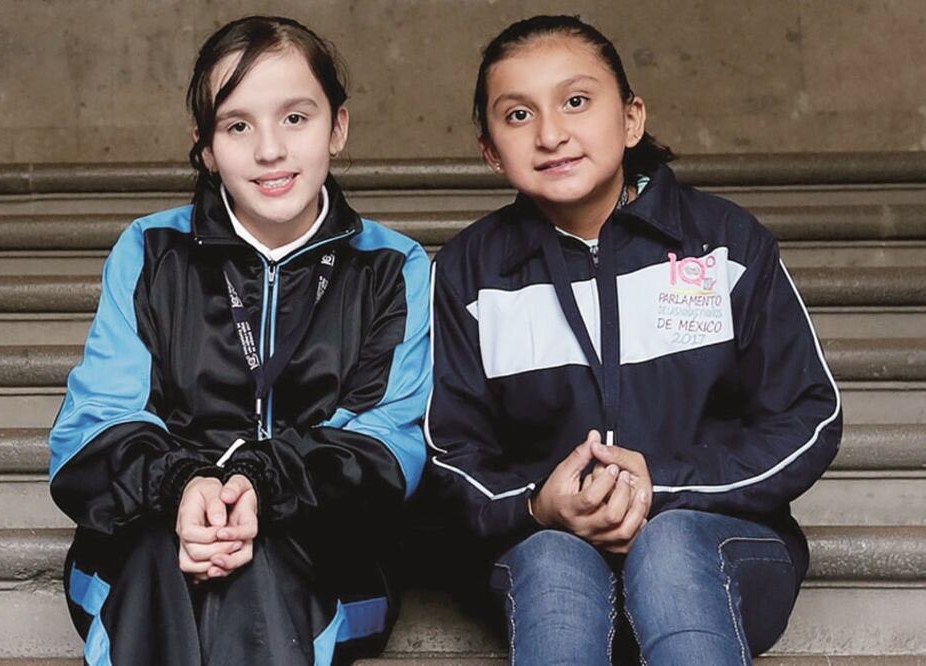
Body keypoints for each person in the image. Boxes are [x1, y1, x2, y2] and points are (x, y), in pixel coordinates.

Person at [423, 14, 841, 665]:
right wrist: (538, 505)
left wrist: (665, 488)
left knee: (668, 546)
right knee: (558, 560)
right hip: (543, 567)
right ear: (488, 150)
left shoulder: (725, 244)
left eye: (576, 101)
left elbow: (807, 418)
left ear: (630, 118)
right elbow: (449, 452)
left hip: (720, 552)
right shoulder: (467, 274)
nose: (551, 133)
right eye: (516, 116)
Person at [48, 16, 431, 665]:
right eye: (237, 126)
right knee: (158, 558)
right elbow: (89, 431)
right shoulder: (149, 250)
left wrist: (259, 486)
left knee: (263, 569)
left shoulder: (391, 266)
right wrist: (183, 488)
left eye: (294, 118)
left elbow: (388, 443)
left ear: (337, 125)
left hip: (326, 562)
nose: (269, 151)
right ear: (204, 147)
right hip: (150, 548)